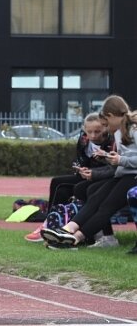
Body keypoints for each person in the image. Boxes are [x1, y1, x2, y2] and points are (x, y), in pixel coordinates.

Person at [41, 95, 137, 250]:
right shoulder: (119, 132)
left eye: (105, 124)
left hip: (133, 177)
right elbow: (122, 160)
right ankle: (68, 230)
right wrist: (109, 159)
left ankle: (75, 238)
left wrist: (120, 160)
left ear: (111, 116)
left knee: (106, 206)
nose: (106, 128)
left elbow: (126, 160)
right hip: (124, 175)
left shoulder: (133, 129)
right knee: (95, 196)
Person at [24, 112, 115, 243]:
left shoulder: (111, 141)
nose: (94, 135)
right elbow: (81, 161)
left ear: (105, 128)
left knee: (73, 187)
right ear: (84, 130)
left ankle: (51, 224)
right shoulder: (83, 140)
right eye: (90, 132)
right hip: (88, 176)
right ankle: (52, 223)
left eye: (98, 131)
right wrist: (81, 169)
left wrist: (95, 170)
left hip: (103, 178)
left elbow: (113, 167)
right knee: (58, 184)